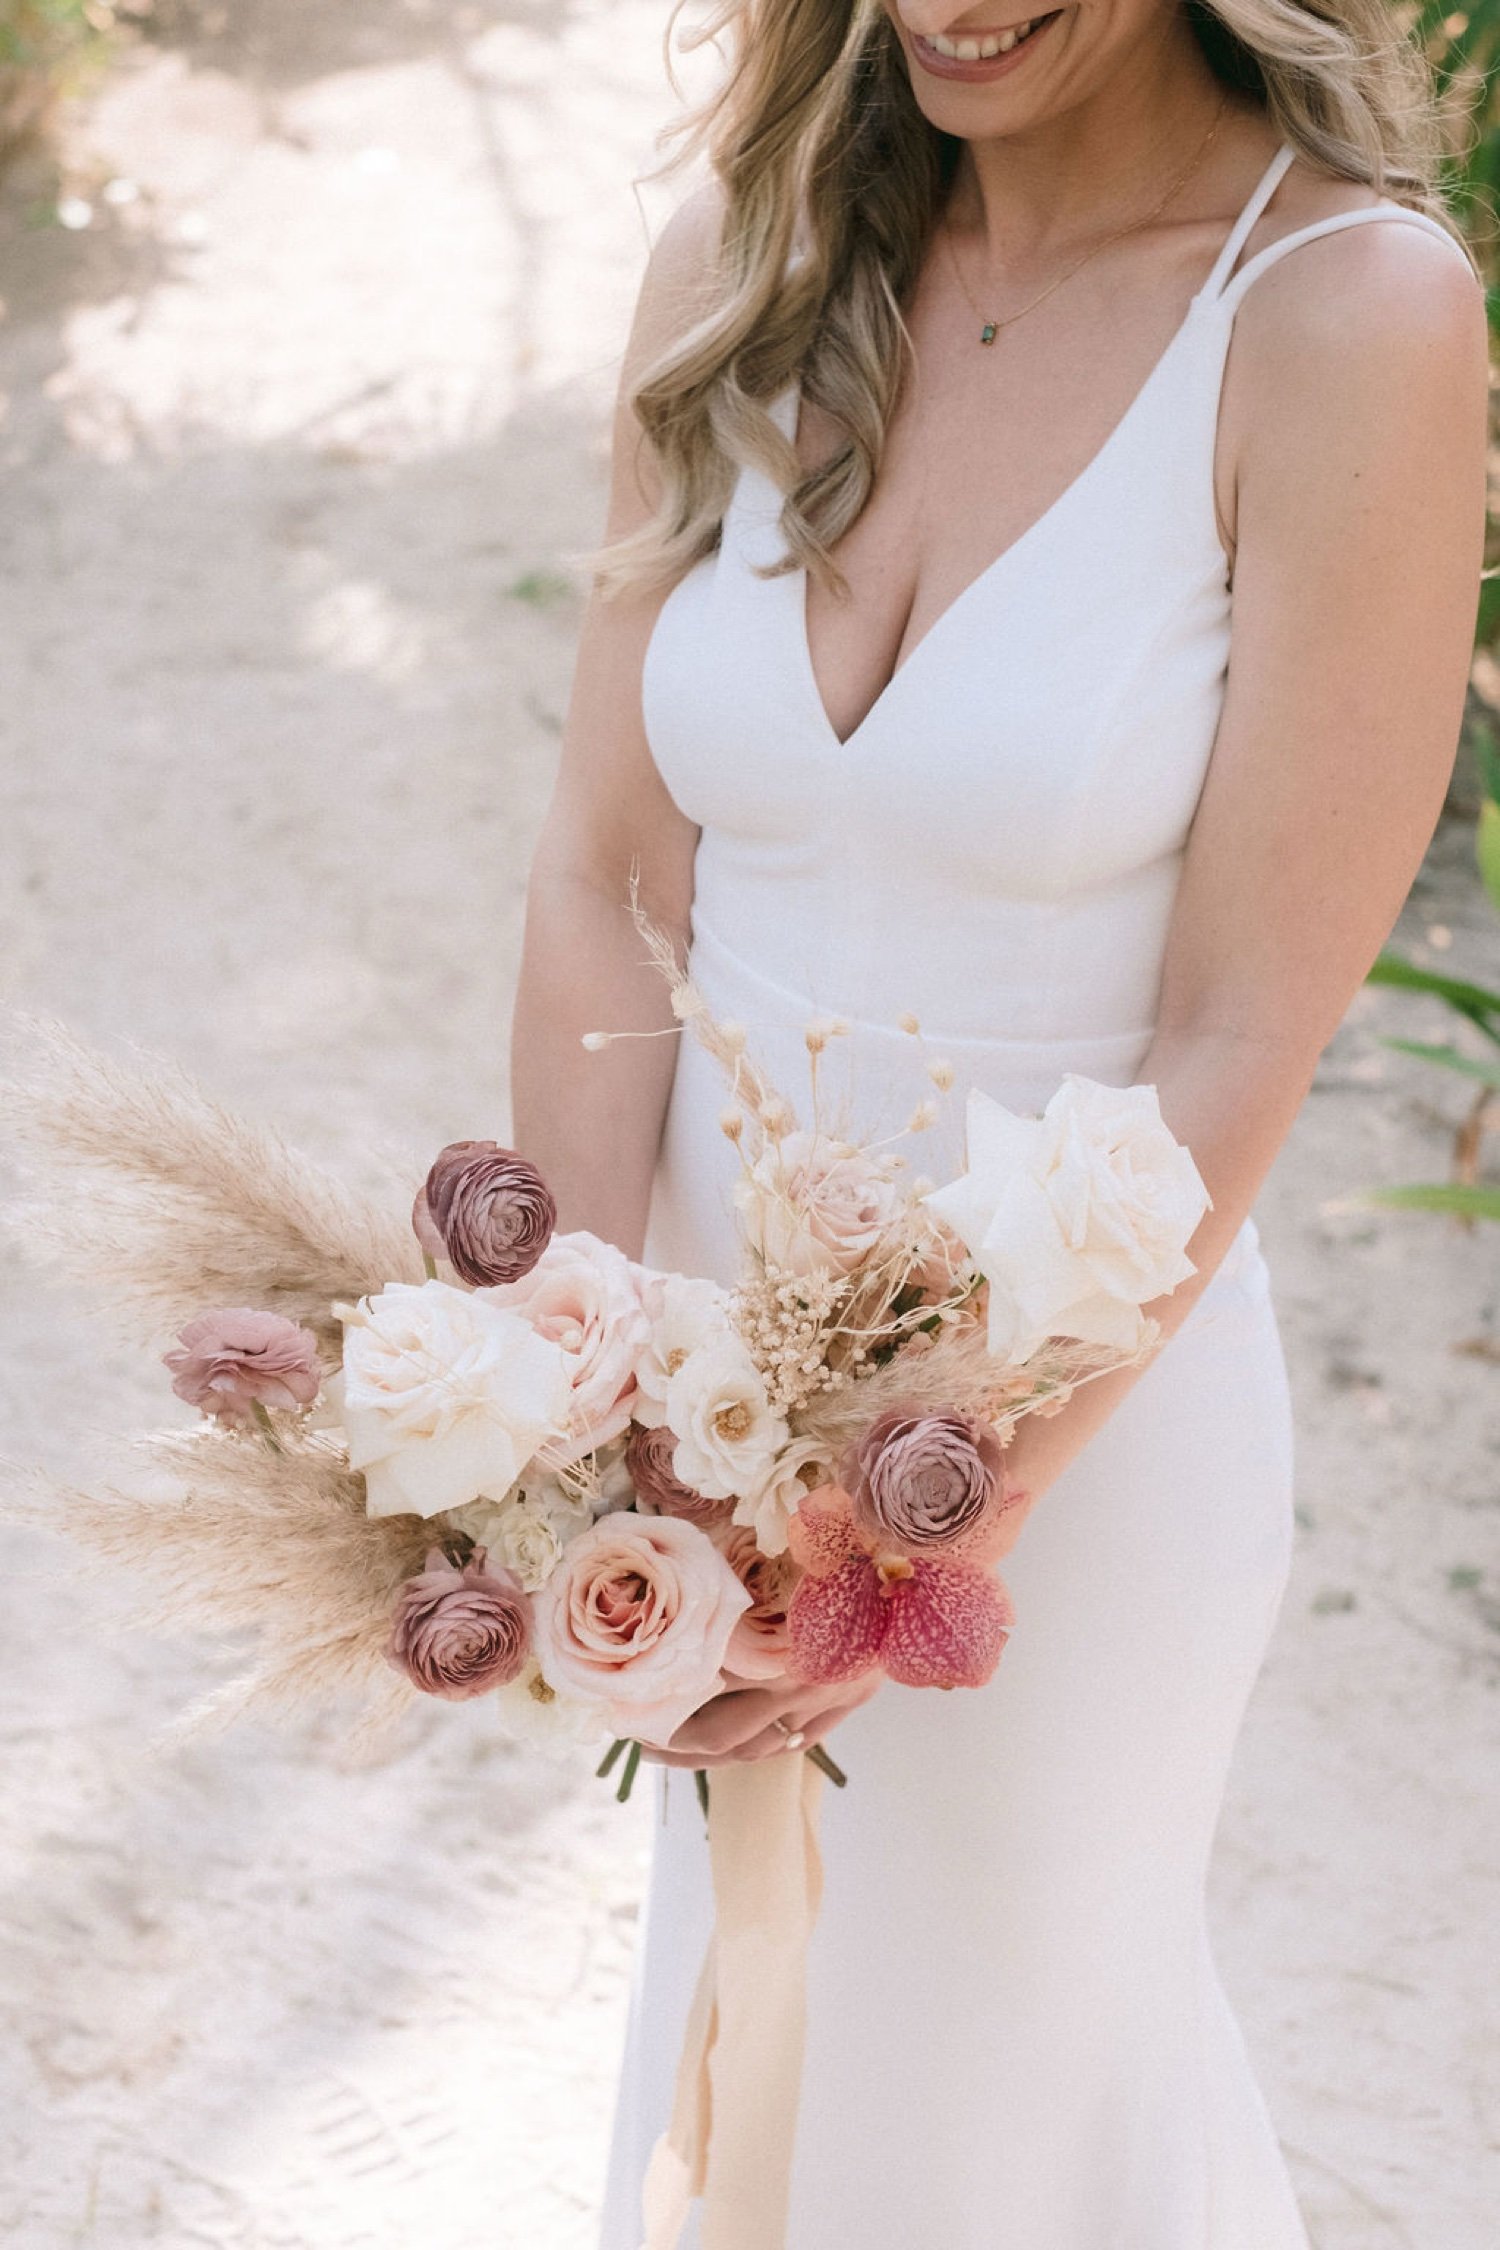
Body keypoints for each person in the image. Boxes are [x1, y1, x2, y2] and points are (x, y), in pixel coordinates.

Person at [510, 1, 1488, 2242]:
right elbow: (603, 873)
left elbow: (1244, 1027)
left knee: (1008, 2123)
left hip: (1069, 1465)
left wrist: (903, 1532)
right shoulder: (742, 262)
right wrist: (578, 1412)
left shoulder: (1344, 317)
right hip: (700, 1429)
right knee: (755, 2076)